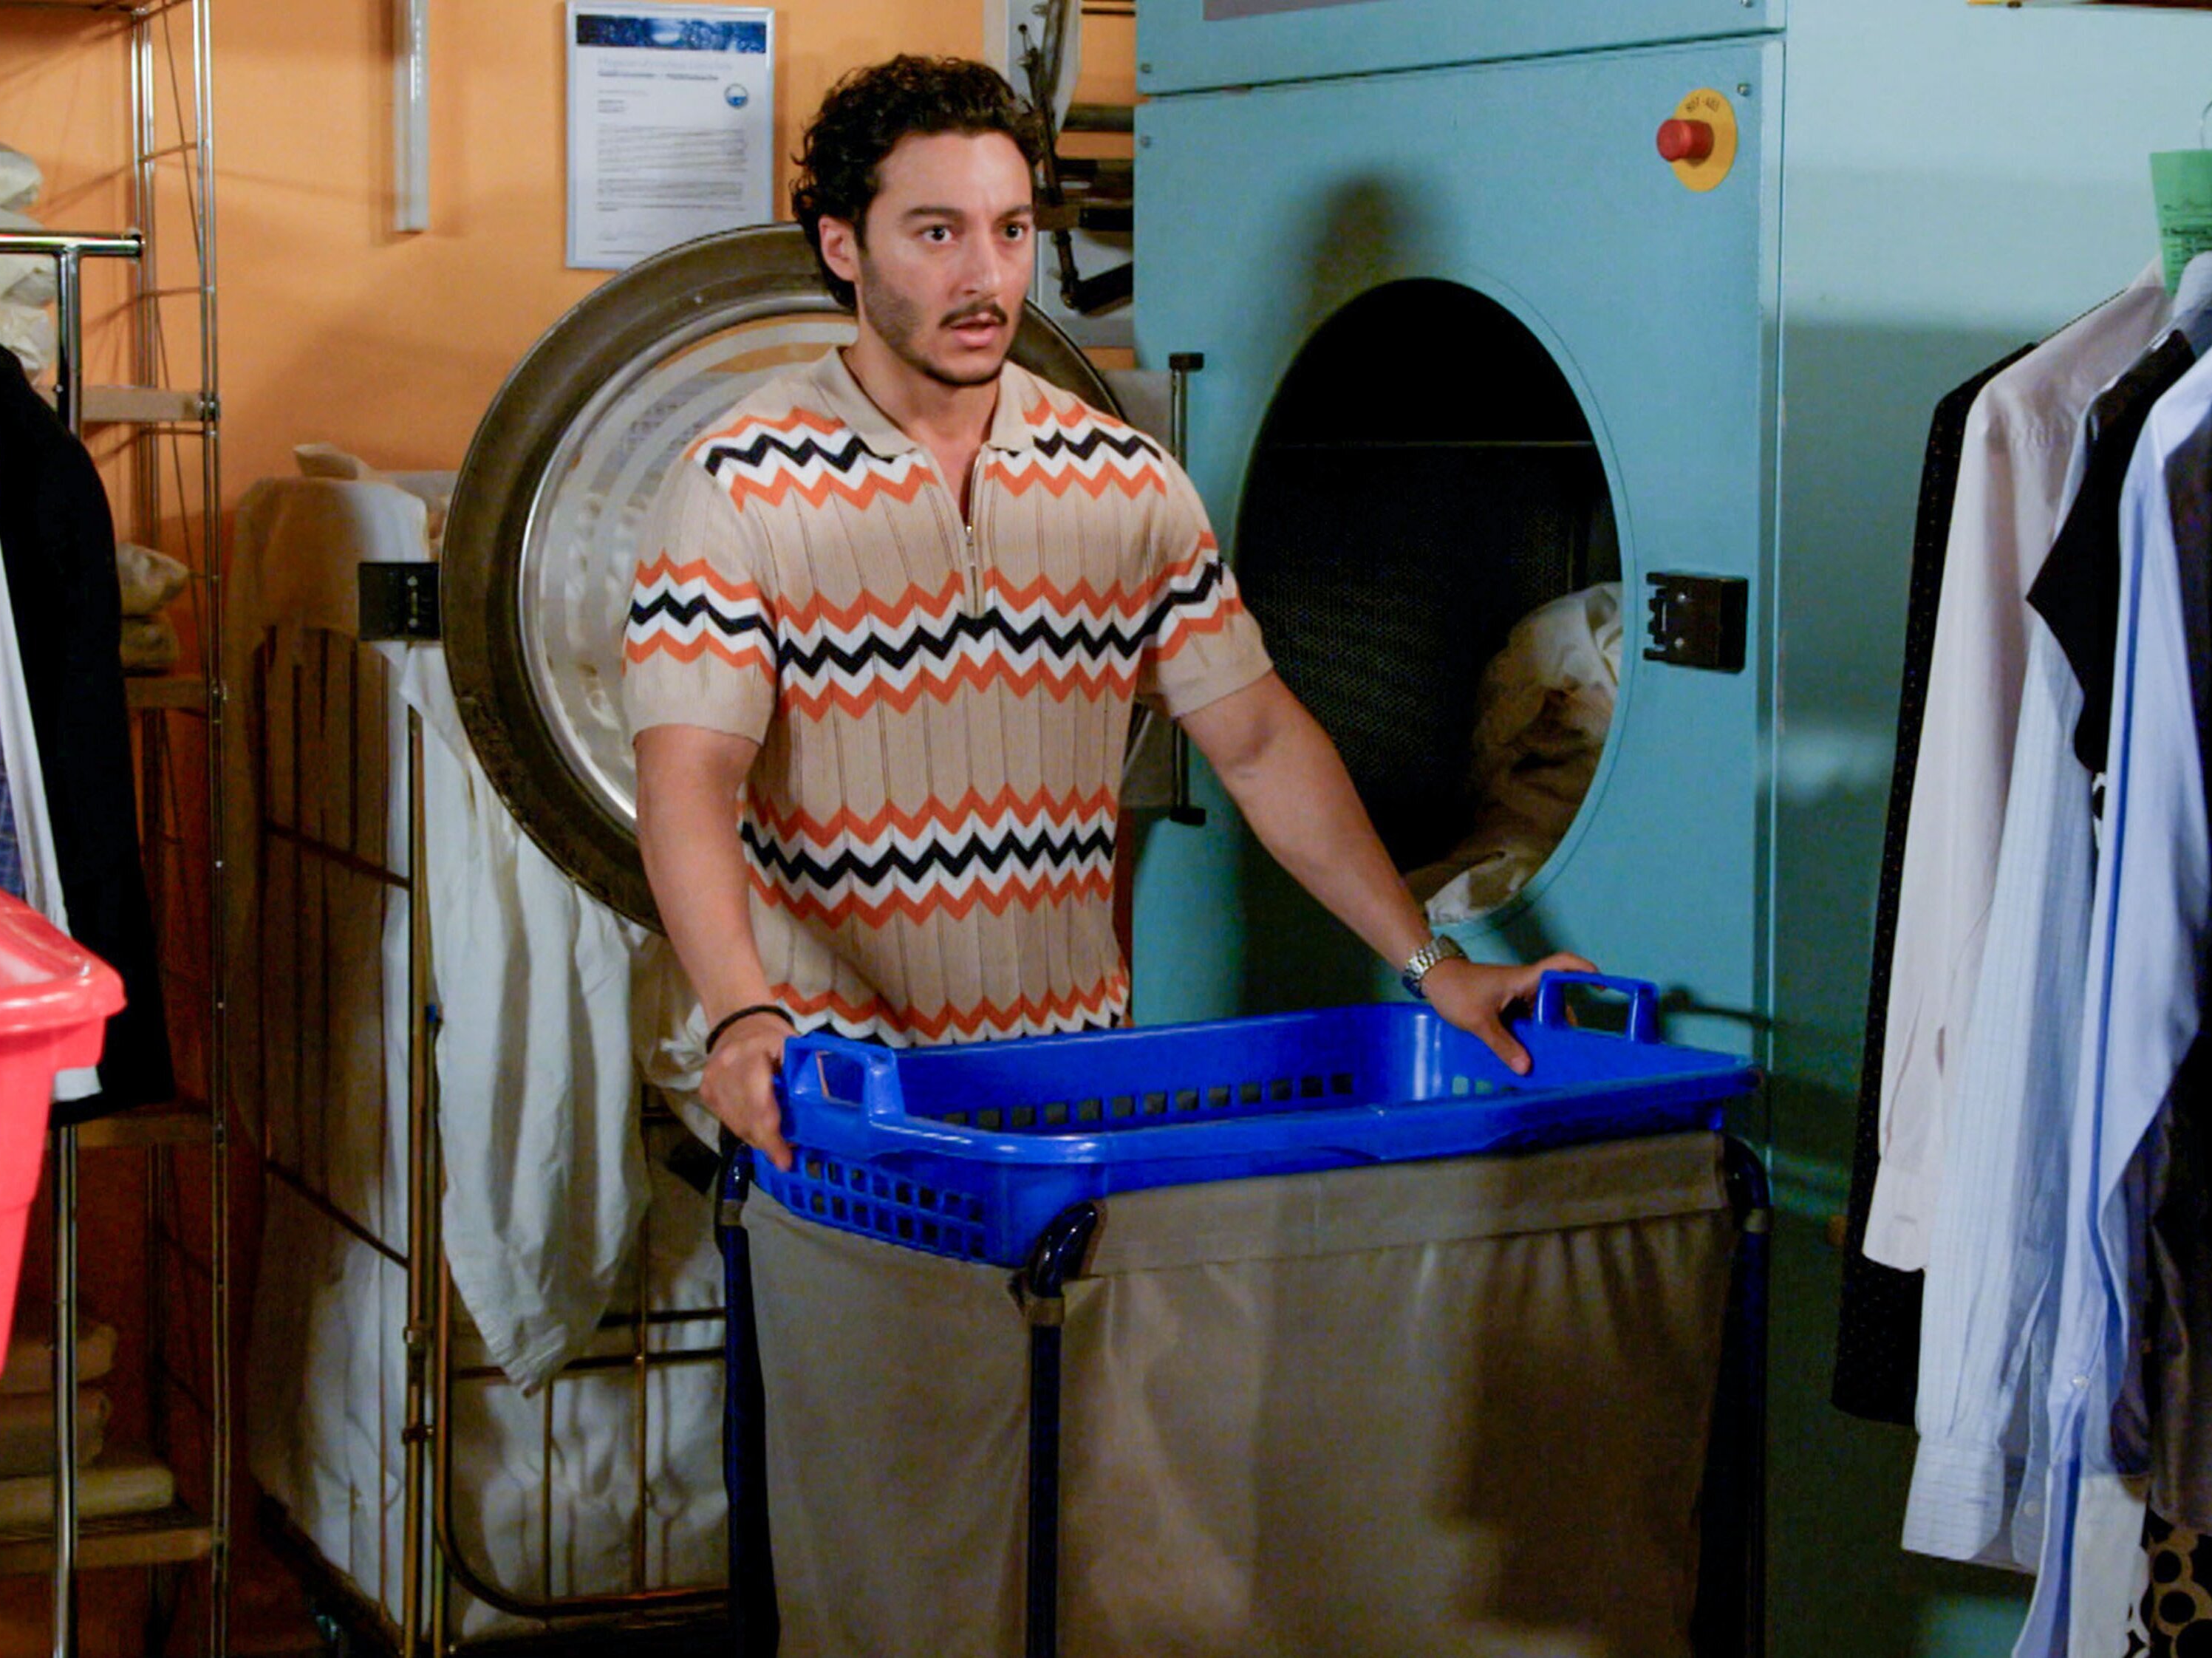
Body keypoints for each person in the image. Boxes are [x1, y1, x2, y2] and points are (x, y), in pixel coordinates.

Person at [627, 55, 1590, 1170]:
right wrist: (743, 1015)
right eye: (936, 233)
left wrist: (1434, 968)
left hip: (1074, 1091)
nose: (986, 276)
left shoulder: (1121, 480)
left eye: (1009, 230)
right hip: (835, 1098)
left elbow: (1260, 742)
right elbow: (688, 779)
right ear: (844, 246)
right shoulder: (739, 484)